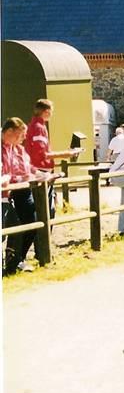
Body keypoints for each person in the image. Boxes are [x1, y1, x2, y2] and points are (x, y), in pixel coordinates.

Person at [2, 118, 58, 275]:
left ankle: (17, 259)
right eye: (21, 135)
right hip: (10, 191)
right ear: (10, 132)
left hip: (16, 190)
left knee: (31, 223)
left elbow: (27, 168)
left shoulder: (17, 149)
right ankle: (13, 261)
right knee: (13, 228)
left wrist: (41, 175)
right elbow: (10, 172)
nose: (24, 138)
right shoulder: (5, 148)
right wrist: (24, 178)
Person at [24, 99, 84, 219]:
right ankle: (42, 236)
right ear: (46, 111)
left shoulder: (35, 125)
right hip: (41, 170)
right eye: (51, 111)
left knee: (46, 207)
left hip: (39, 168)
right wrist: (67, 154)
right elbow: (42, 154)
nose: (52, 114)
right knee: (46, 209)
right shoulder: (39, 127)